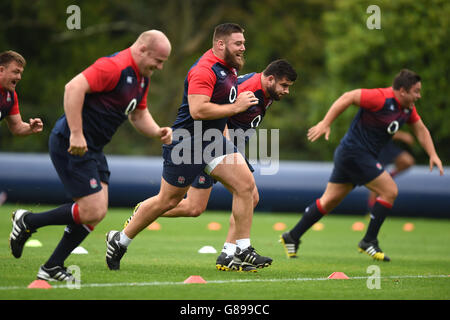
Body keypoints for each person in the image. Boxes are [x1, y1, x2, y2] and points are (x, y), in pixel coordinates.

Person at [106, 23, 272, 272]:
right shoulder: (204, 69)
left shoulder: (230, 69)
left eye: (243, 43)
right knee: (168, 201)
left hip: (214, 142)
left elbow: (219, 114)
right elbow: (198, 110)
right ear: (220, 44)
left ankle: (242, 249)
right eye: (238, 43)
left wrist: (227, 139)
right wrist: (236, 107)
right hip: (188, 142)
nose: (242, 48)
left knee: (247, 187)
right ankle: (120, 239)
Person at [9, 30, 173, 282]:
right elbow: (73, 87)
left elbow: (138, 114)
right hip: (71, 143)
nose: (161, 67)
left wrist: (157, 131)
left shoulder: (142, 78)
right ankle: (28, 223)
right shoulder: (113, 67)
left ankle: (51, 263)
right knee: (92, 209)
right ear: (142, 50)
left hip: (93, 149)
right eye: (158, 60)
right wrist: (76, 133)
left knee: (96, 211)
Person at [280, 69, 444, 262]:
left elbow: (420, 129)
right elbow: (348, 97)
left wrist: (433, 154)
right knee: (390, 191)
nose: (419, 96)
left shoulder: (407, 108)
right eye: (415, 91)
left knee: (329, 201)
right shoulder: (380, 98)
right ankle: (369, 241)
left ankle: (292, 236)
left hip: (352, 155)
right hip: (355, 153)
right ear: (402, 91)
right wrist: (326, 122)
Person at [149, 59, 297, 271]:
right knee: (247, 194)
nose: (286, 91)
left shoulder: (266, 91)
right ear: (270, 79)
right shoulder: (248, 88)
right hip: (213, 147)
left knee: (196, 207)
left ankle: (228, 254)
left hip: (219, 148)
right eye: (284, 86)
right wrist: (226, 150)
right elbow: (220, 115)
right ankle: (231, 253)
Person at [367, 130, 415, 209]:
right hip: (377, 147)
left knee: (408, 161)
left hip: (388, 146)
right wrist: (403, 136)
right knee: (376, 180)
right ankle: (371, 209)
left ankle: (390, 175)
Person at [0, 50, 43, 137]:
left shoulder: (11, 96)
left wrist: (30, 128)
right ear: (1, 70)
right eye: (16, 72)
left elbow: (17, 127)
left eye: (20, 73)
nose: (19, 77)